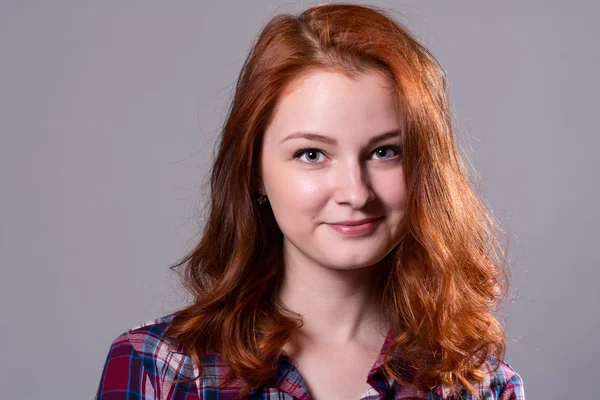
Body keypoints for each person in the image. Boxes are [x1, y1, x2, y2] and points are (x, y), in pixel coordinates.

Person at [95, 3, 525, 399]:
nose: (355, 193)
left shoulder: (480, 386)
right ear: (255, 172)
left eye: (385, 152)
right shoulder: (158, 369)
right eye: (312, 154)